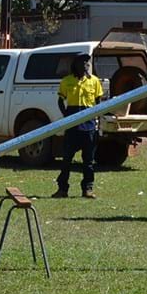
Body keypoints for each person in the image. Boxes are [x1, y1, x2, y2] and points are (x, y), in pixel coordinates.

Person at [52, 54, 103, 199]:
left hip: (89, 126)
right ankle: (62, 189)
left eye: (87, 62)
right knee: (66, 159)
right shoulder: (66, 81)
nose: (86, 64)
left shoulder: (94, 81)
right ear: (75, 64)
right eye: (82, 62)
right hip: (73, 125)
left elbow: (98, 101)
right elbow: (60, 101)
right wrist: (66, 116)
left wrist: (96, 120)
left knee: (88, 162)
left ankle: (88, 189)